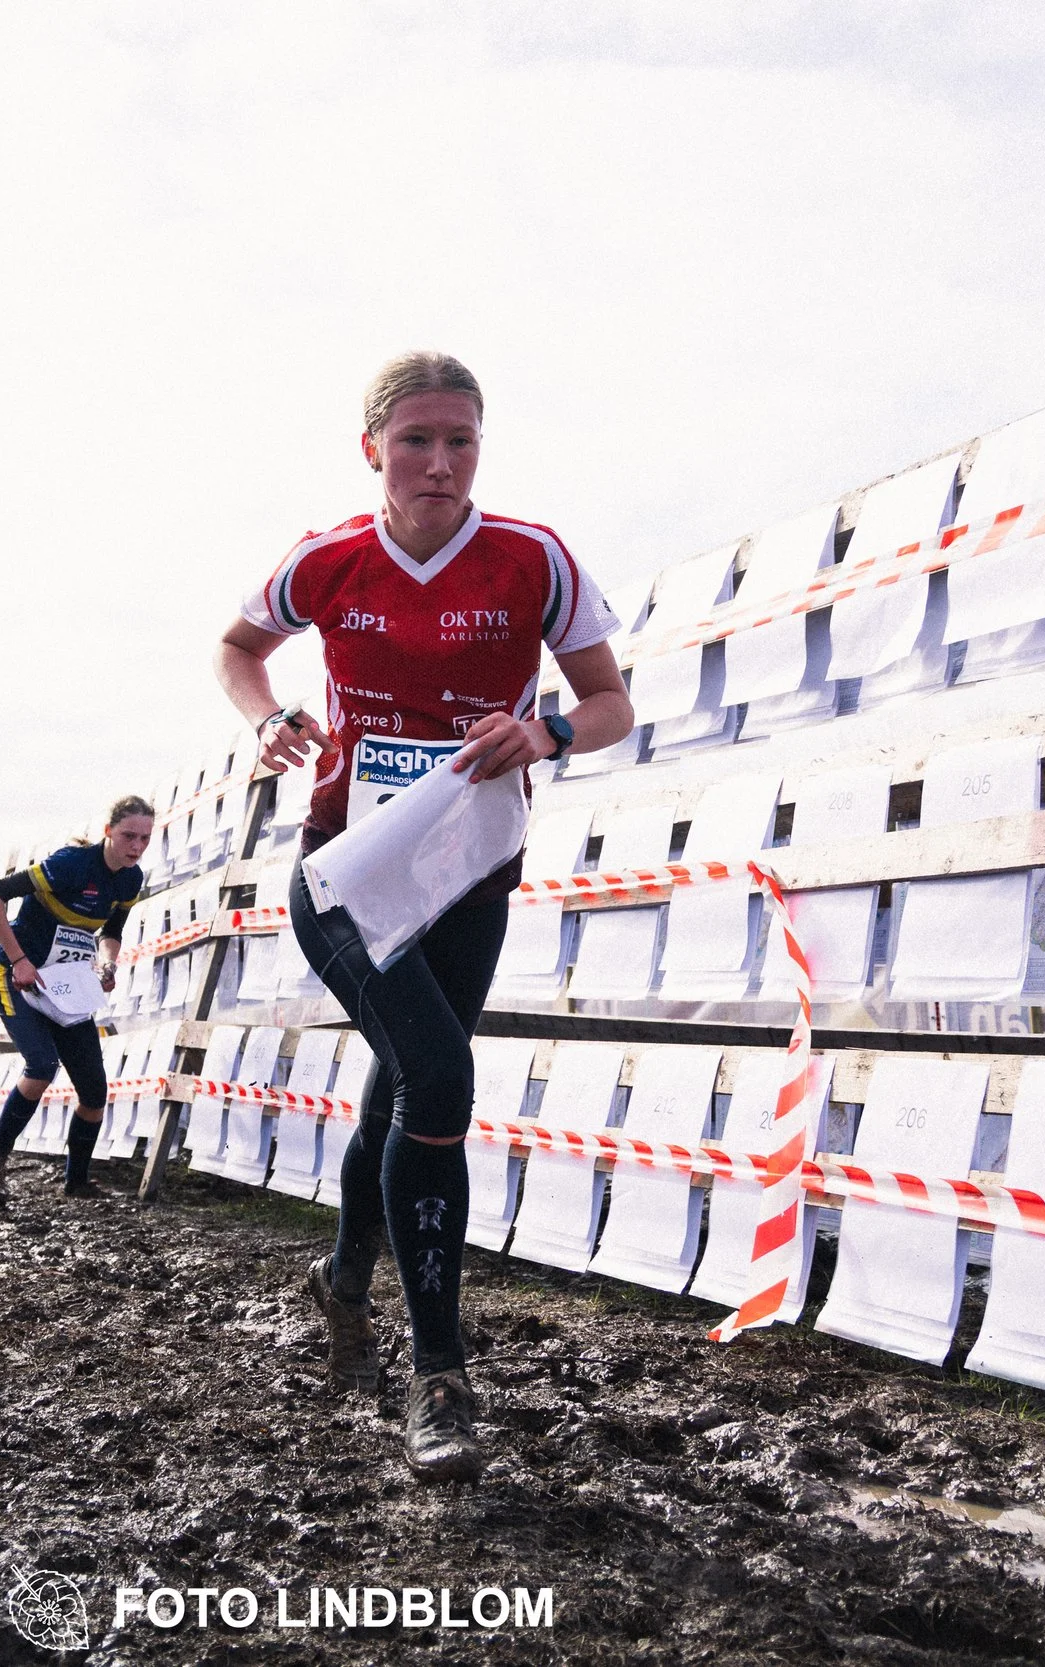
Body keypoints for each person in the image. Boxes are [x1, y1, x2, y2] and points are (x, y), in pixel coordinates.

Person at [215, 352, 632, 1483]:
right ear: (372, 450)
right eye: (416, 441)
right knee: (442, 1080)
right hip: (345, 875)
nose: (439, 464)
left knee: (403, 1087)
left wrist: (545, 729)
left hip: (468, 873)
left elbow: (610, 703)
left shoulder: (532, 559)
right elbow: (238, 648)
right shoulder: (330, 558)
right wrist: (269, 720)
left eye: (461, 441)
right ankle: (437, 1372)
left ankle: (347, 1270)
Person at [0, 799, 154, 1202]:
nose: (136, 846)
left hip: (65, 988)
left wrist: (107, 963)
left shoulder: (130, 878)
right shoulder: (72, 864)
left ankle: (77, 1181)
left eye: (144, 838)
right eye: (128, 836)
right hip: (18, 979)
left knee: (94, 1092)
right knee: (41, 1066)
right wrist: (18, 959)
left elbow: (113, 930)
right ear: (108, 831)